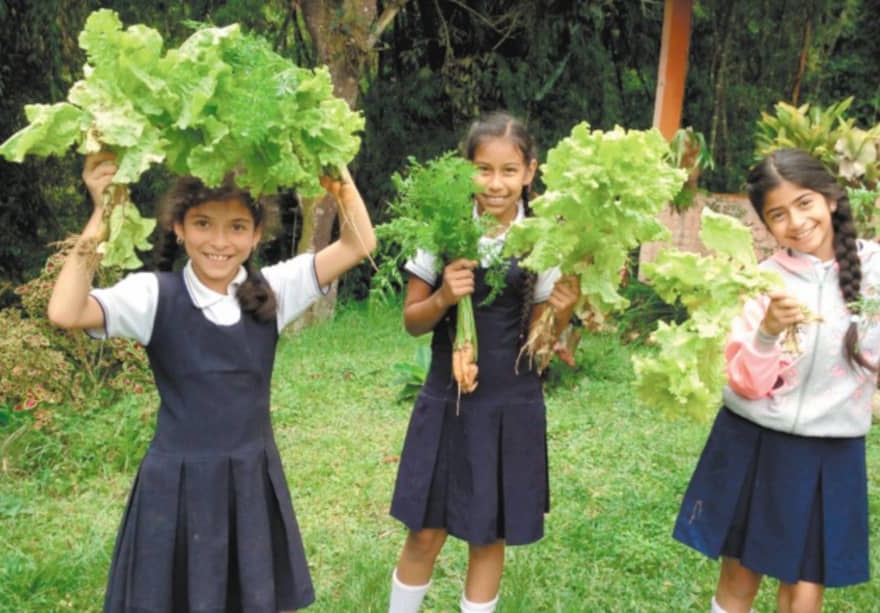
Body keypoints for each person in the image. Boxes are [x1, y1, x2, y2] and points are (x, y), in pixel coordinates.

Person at [47, 151, 376, 612]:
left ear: (257, 234)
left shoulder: (272, 291)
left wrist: (340, 184)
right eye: (203, 224)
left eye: (237, 227)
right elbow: (64, 311)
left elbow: (358, 244)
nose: (219, 241)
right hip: (175, 489)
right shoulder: (152, 295)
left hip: (249, 483)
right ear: (179, 229)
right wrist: (100, 216)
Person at [386, 112, 579, 613]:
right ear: (465, 170)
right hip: (446, 399)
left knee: (487, 535)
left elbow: (538, 350)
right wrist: (445, 297)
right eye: (484, 169)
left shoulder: (543, 241)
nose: (496, 184)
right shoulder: (443, 228)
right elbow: (412, 321)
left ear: (530, 171)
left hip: (511, 402)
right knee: (425, 532)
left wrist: (560, 315)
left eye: (509, 171)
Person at [672, 148, 876, 613]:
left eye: (805, 203)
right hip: (754, 441)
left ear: (831, 199)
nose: (797, 222)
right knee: (740, 577)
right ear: (767, 226)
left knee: (805, 589)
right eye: (778, 215)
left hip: (832, 447)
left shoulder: (875, 272)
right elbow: (745, 383)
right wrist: (767, 331)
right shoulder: (760, 282)